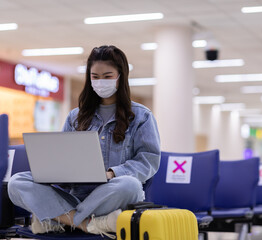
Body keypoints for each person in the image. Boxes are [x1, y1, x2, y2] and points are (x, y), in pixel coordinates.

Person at [8, 45, 160, 238]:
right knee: (17, 182)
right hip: (75, 196)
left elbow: (148, 161)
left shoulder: (141, 116)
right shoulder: (75, 117)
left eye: (107, 76)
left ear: (121, 76)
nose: (100, 82)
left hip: (112, 195)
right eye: (95, 77)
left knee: (130, 185)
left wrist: (113, 173)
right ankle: (88, 224)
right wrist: (56, 173)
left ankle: (59, 219)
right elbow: (63, 158)